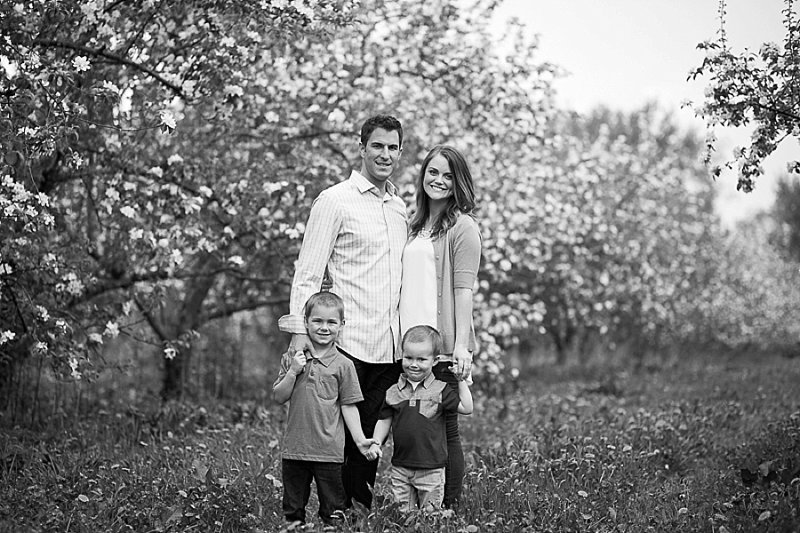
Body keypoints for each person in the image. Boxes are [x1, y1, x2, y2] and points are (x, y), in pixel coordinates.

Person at [278, 114, 408, 509]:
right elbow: (308, 272)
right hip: (346, 345)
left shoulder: (399, 207)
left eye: (393, 147)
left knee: (367, 440)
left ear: (400, 152)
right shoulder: (334, 200)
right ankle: (324, 515)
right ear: (362, 147)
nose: (385, 154)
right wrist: (299, 335)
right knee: (332, 439)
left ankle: (356, 516)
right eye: (377, 145)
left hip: (388, 347)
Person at [398, 144, 481, 507]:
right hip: (410, 345)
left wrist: (460, 346)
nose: (439, 180)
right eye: (433, 172)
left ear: (458, 182)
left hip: (442, 347)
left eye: (448, 175)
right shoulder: (414, 224)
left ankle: (448, 506)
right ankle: (416, 502)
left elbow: (463, 290)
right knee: (415, 426)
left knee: (445, 430)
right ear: (423, 175)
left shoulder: (463, 227)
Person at [272, 291, 373, 528]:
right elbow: (278, 396)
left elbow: (349, 405)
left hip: (329, 452)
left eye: (331, 322)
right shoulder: (292, 357)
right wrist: (293, 371)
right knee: (292, 510)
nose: (324, 327)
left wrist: (360, 440)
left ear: (342, 325)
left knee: (333, 511)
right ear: (306, 322)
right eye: (317, 320)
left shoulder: (344, 365)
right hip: (295, 450)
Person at [366, 325, 473, 512]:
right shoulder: (393, 391)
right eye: (408, 358)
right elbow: (384, 420)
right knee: (405, 515)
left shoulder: (440, 389)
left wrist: (460, 380)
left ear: (435, 361)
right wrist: (376, 443)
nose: (413, 364)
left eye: (421, 359)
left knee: (430, 516)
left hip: (431, 469)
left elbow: (466, 408)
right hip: (401, 467)